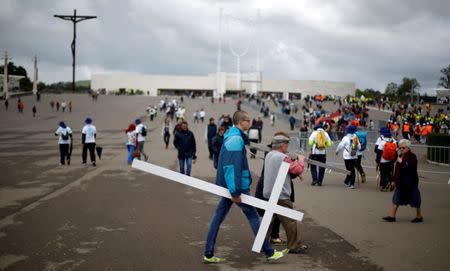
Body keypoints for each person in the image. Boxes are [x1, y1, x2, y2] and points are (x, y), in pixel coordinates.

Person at [203, 110, 288, 263]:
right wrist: (235, 191)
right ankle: (269, 252)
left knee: (218, 218)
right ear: (241, 121)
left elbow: (231, 165)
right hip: (237, 188)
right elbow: (231, 166)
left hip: (232, 186)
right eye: (247, 120)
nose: (250, 122)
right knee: (253, 217)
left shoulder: (234, 137)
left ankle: (208, 253)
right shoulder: (236, 139)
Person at [263, 132, 308, 254]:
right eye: (287, 144)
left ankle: (263, 243)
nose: (287, 146)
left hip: (268, 191)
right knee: (290, 220)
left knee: (268, 220)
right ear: (282, 145)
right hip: (280, 193)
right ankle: (294, 245)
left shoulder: (269, 155)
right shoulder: (282, 157)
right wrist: (301, 160)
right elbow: (297, 169)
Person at [383, 139, 423, 223]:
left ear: (408, 148)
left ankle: (419, 216)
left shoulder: (413, 156)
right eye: (400, 148)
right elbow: (397, 169)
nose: (401, 149)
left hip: (411, 182)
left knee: (416, 199)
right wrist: (394, 180)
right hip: (400, 182)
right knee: (396, 199)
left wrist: (402, 162)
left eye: (403, 147)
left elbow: (411, 167)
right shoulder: (400, 156)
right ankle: (392, 216)